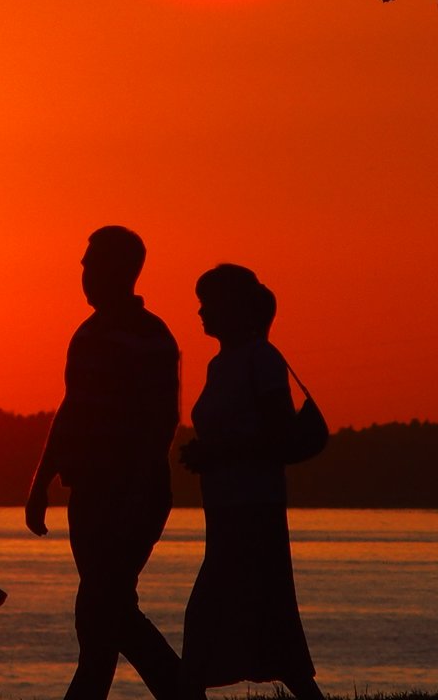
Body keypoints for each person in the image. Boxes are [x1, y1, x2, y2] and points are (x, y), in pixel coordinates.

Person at [26, 225, 185, 700]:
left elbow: (161, 422)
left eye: (91, 263)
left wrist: (136, 491)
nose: (83, 272)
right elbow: (72, 409)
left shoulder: (148, 336)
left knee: (104, 605)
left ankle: (179, 691)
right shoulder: (92, 333)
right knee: (104, 607)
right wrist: (41, 482)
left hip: (128, 494)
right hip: (95, 491)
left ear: (119, 270)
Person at [177, 263, 324, 700]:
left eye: (208, 303)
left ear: (232, 307)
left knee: (215, 617)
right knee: (254, 618)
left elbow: (278, 433)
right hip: (225, 510)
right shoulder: (220, 364)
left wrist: (216, 453)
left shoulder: (262, 358)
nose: (201, 312)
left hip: (254, 509)